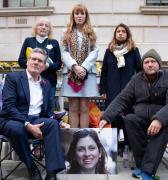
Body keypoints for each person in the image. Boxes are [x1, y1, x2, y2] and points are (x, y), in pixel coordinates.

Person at [99, 49, 168, 180]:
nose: (150, 64)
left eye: (153, 61)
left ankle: (147, 172)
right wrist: (106, 117)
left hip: (165, 121)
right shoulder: (136, 79)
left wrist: (159, 120)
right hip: (142, 118)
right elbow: (122, 99)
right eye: (146, 62)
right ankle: (143, 166)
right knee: (130, 119)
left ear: (159, 64)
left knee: (165, 128)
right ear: (142, 65)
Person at [0, 48, 65, 180]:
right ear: (28, 61)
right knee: (17, 129)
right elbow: (9, 106)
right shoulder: (13, 78)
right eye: (33, 59)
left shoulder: (46, 84)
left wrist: (60, 121)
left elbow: (47, 112)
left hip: (36, 119)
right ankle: (31, 167)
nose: (36, 62)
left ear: (44, 66)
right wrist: (27, 124)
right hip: (12, 119)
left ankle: (52, 172)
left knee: (52, 124)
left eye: (40, 61)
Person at [99, 23, 142, 154]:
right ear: (115, 34)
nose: (121, 33)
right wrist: (103, 90)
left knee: (128, 118)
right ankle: (116, 145)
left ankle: (128, 144)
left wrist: (138, 89)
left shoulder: (133, 51)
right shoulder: (109, 51)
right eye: (118, 31)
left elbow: (140, 70)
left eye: (123, 31)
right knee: (113, 117)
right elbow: (104, 71)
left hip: (129, 91)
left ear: (127, 34)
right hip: (112, 90)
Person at [60, 4, 99, 128]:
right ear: (73, 16)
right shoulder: (66, 32)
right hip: (71, 73)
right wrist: (75, 66)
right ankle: (75, 137)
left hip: (87, 74)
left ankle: (83, 137)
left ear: (86, 16)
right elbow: (64, 51)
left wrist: (84, 67)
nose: (79, 16)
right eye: (77, 13)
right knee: (73, 107)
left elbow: (95, 51)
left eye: (82, 13)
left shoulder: (92, 32)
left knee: (84, 107)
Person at [18, 17, 62, 110]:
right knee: (31, 106)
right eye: (41, 25)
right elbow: (21, 60)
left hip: (49, 81)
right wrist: (33, 65)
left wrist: (48, 66)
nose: (44, 27)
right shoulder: (28, 41)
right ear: (36, 28)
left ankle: (48, 123)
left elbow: (59, 63)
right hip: (30, 81)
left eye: (47, 26)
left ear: (49, 29)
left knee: (48, 107)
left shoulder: (54, 42)